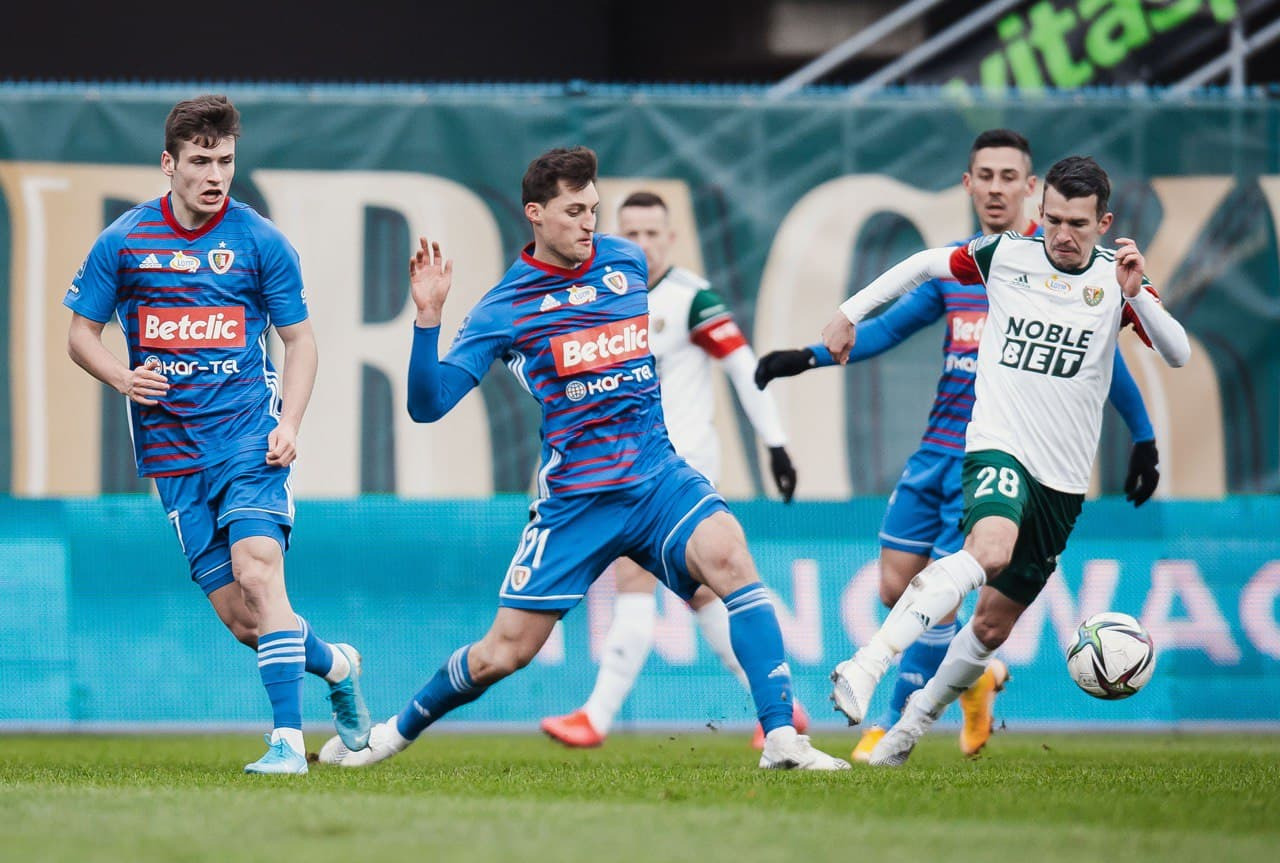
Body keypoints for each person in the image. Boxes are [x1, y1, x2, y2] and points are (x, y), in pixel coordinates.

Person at [319, 146, 848, 770]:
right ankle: (391, 735)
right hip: (579, 501)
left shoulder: (626, 261)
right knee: (502, 654)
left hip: (658, 478)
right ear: (535, 214)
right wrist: (428, 319)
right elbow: (427, 405)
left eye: (594, 209)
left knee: (731, 559)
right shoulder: (504, 308)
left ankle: (783, 739)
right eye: (574, 212)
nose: (589, 223)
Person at [755, 130, 1160, 761]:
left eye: (1009, 177)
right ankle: (975, 679)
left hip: (1009, 453)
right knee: (896, 585)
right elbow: (888, 329)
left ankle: (889, 725)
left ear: (1033, 188)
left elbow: (1105, 362)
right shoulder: (968, 265)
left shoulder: (1074, 268)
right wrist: (808, 356)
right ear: (968, 184)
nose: (997, 189)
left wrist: (1143, 435)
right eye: (985, 176)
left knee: (971, 570)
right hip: (939, 448)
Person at [64, 94, 370, 775]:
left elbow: (301, 342)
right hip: (173, 453)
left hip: (247, 439)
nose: (215, 175)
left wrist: (289, 423)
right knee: (245, 620)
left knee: (259, 571)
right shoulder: (124, 241)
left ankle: (287, 742)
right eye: (201, 161)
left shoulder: (260, 241)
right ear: (168, 163)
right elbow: (80, 334)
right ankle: (337, 664)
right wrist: (122, 376)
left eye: (226, 161)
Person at [540, 190, 807, 751]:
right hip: (629, 462)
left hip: (676, 464)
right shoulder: (606, 295)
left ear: (671, 238)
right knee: (704, 595)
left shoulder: (690, 298)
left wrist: (776, 443)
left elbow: (743, 367)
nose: (642, 244)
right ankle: (781, 707)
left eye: (652, 233)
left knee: (632, 577)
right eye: (631, 233)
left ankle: (596, 716)